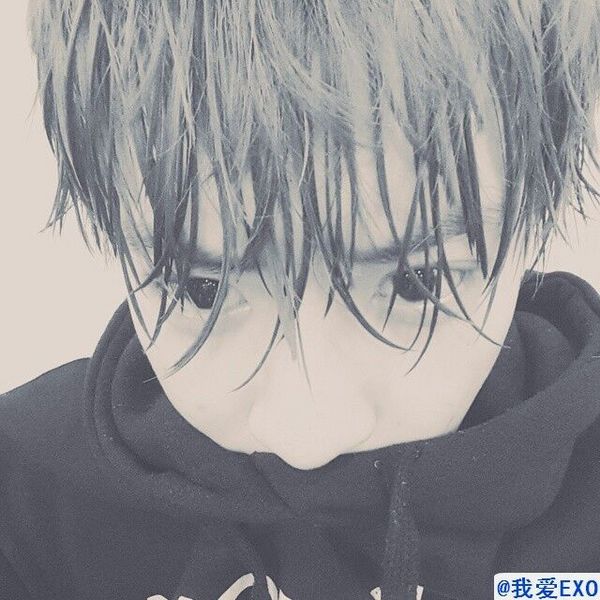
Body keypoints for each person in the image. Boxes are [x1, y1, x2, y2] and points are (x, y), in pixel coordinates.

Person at [2, 1, 600, 599]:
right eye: (201, 288)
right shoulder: (26, 500)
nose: (307, 437)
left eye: (415, 281)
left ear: (534, 225)